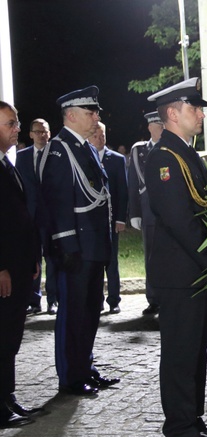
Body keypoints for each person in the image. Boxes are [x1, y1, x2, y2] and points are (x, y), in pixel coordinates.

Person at [145, 77, 207, 437]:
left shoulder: (185, 152)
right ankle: (179, 431)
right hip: (181, 275)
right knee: (180, 355)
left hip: (195, 273)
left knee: (195, 353)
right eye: (194, 108)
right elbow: (180, 219)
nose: (200, 114)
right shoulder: (164, 157)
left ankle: (193, 420)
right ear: (172, 114)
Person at [39, 86, 119, 396]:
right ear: (71, 116)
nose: (96, 116)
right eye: (91, 112)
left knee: (90, 310)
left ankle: (85, 366)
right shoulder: (60, 149)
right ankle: (71, 377)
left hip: (93, 245)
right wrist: (67, 245)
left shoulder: (83, 147)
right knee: (73, 314)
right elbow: (56, 203)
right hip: (78, 247)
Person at [0, 101, 44, 429]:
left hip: (18, 266)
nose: (17, 129)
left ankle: (7, 395)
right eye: (10, 124)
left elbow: (21, 218)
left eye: (16, 123)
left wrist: (31, 259)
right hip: (4, 271)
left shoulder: (7, 164)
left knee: (12, 334)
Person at [15, 118, 58, 315]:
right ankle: (33, 300)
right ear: (30, 134)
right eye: (38, 131)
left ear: (49, 133)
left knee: (52, 258)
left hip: (51, 216)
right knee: (32, 259)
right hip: (30, 217)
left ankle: (53, 299)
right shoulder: (21, 157)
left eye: (45, 131)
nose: (42, 134)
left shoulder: (57, 155)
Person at [90, 122, 128, 314]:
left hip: (112, 220)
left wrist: (121, 219)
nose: (99, 137)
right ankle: (96, 300)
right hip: (91, 221)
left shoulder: (117, 159)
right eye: (96, 134)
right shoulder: (85, 157)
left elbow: (123, 190)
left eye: (102, 134)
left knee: (112, 261)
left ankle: (114, 300)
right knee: (95, 261)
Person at [128, 112, 163, 316]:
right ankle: (153, 298)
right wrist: (135, 212)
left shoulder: (169, 148)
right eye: (157, 125)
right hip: (148, 211)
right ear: (150, 128)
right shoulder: (139, 150)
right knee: (150, 256)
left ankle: (168, 295)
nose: (160, 129)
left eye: (162, 124)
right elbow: (133, 182)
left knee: (169, 254)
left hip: (168, 212)